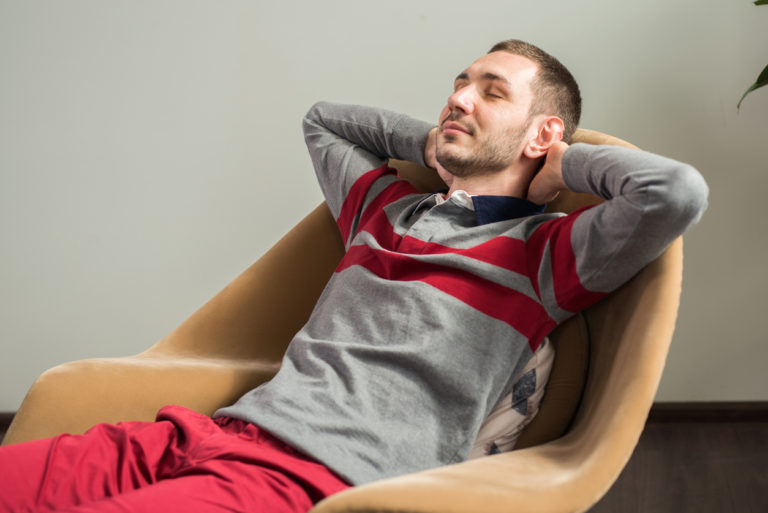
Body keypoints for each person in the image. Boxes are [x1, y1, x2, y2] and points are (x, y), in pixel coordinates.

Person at [0, 39, 708, 513]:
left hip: (307, 480)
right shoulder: (384, 208)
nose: (459, 97)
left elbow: (674, 193)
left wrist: (567, 163)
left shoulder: (543, 255)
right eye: (458, 84)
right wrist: (432, 145)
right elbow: (323, 121)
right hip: (202, 434)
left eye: (491, 92)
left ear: (541, 133)